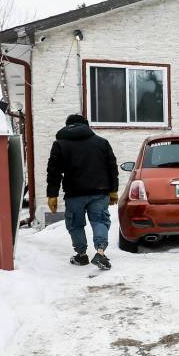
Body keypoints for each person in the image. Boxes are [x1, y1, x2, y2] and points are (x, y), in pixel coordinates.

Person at [46, 113, 118, 270]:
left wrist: (52, 194)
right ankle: (100, 252)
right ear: (86, 125)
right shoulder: (101, 143)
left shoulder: (59, 144)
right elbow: (112, 168)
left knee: (75, 225)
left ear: (67, 126)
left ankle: (81, 255)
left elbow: (54, 171)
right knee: (100, 221)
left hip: (74, 193)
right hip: (99, 192)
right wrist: (113, 190)